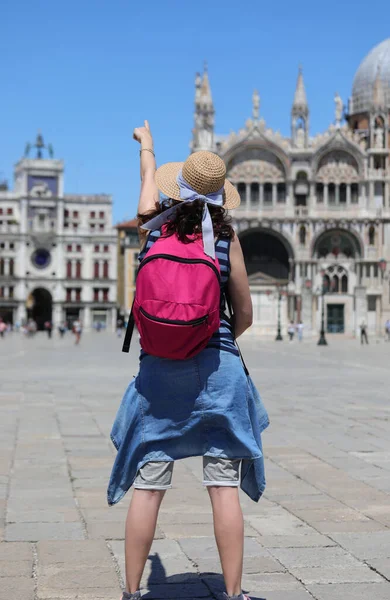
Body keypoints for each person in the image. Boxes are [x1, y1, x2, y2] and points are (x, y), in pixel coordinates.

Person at [108, 121, 269, 600]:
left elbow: (145, 179)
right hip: (219, 369)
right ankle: (234, 594)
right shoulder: (225, 238)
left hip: (159, 371)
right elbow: (244, 313)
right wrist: (215, 338)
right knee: (223, 486)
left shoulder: (150, 230)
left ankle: (133, 592)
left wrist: (148, 145)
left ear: (175, 191)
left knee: (149, 482)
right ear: (221, 197)